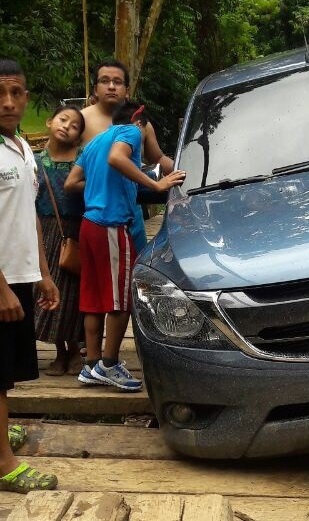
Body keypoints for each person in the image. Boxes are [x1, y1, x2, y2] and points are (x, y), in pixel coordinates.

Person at [65, 100, 185, 391]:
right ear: (140, 122)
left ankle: (92, 366)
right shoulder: (132, 131)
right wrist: (156, 185)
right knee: (122, 300)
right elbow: (118, 159)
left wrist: (103, 185)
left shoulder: (95, 142)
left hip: (89, 224)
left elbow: (71, 183)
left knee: (93, 300)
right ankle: (109, 364)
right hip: (111, 225)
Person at [0, 58, 59, 493]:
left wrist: (42, 272)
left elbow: (30, 217)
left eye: (16, 92)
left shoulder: (22, 148)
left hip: (18, 274)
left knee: (8, 367)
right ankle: (4, 465)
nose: (7, 102)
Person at [81, 59, 173, 253]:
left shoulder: (139, 124)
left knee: (135, 273)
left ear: (127, 90)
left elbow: (158, 158)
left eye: (117, 82)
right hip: (95, 217)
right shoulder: (79, 120)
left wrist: (190, 172)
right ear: (95, 89)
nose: (112, 86)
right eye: (105, 81)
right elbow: (57, 161)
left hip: (131, 214)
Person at [34, 106, 86, 376]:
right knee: (49, 291)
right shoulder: (34, 160)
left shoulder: (82, 159)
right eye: (63, 119)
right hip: (44, 231)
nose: (67, 126)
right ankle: (60, 351)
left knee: (74, 292)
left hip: (76, 231)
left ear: (79, 136)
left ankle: (76, 349)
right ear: (49, 120)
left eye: (75, 125)